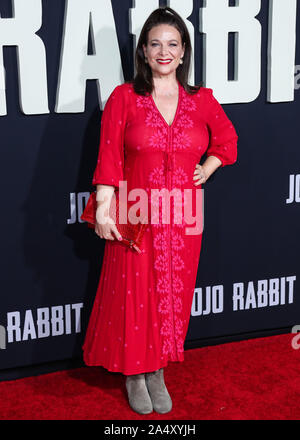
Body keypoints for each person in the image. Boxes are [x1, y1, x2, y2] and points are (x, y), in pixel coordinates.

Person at [82, 6, 238, 415]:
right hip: (135, 211)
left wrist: (209, 165)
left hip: (183, 216)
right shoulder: (124, 98)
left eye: (172, 44)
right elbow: (109, 157)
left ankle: (158, 371)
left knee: (172, 295)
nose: (164, 52)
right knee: (134, 296)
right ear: (144, 53)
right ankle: (135, 373)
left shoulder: (201, 100)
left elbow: (227, 141)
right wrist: (102, 207)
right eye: (155, 45)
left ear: (183, 52)